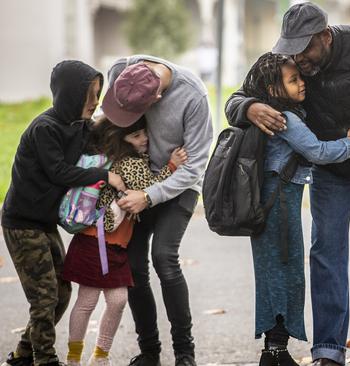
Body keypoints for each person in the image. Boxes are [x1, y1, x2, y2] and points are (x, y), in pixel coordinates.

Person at [226, 3, 350, 366]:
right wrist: (248, 109)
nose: (298, 57)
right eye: (291, 47)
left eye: (305, 47)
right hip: (332, 164)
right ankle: (328, 351)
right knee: (326, 253)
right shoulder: (282, 60)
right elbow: (238, 98)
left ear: (325, 35)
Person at [241, 52, 350, 366]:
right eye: (293, 80)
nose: (302, 84)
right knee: (287, 273)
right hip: (279, 204)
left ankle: (274, 351)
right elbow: (317, 151)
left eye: (300, 77)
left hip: (275, 202)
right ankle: (275, 352)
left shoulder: (278, 111)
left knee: (276, 273)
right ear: (273, 89)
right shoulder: (286, 118)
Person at [1, 60, 126, 366]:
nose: (95, 102)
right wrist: (104, 175)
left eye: (98, 94)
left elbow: (107, 137)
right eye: (90, 96)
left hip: (45, 223)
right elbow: (59, 172)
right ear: (70, 95)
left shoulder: (80, 126)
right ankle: (45, 358)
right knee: (43, 297)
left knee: (61, 292)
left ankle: (23, 353)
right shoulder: (45, 128)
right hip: (22, 222)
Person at [101, 55, 213, 366]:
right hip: (138, 178)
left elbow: (194, 168)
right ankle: (149, 353)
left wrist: (148, 197)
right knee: (133, 264)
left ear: (158, 97)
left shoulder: (193, 96)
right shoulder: (122, 72)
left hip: (178, 184)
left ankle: (184, 353)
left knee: (164, 257)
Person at [62, 115, 188, 366]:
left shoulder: (132, 160)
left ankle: (100, 355)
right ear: (122, 139)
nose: (144, 139)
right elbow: (149, 189)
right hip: (95, 242)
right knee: (87, 301)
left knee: (118, 300)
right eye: (136, 135)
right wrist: (172, 166)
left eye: (144, 132)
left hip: (116, 245)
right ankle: (74, 358)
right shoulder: (128, 163)